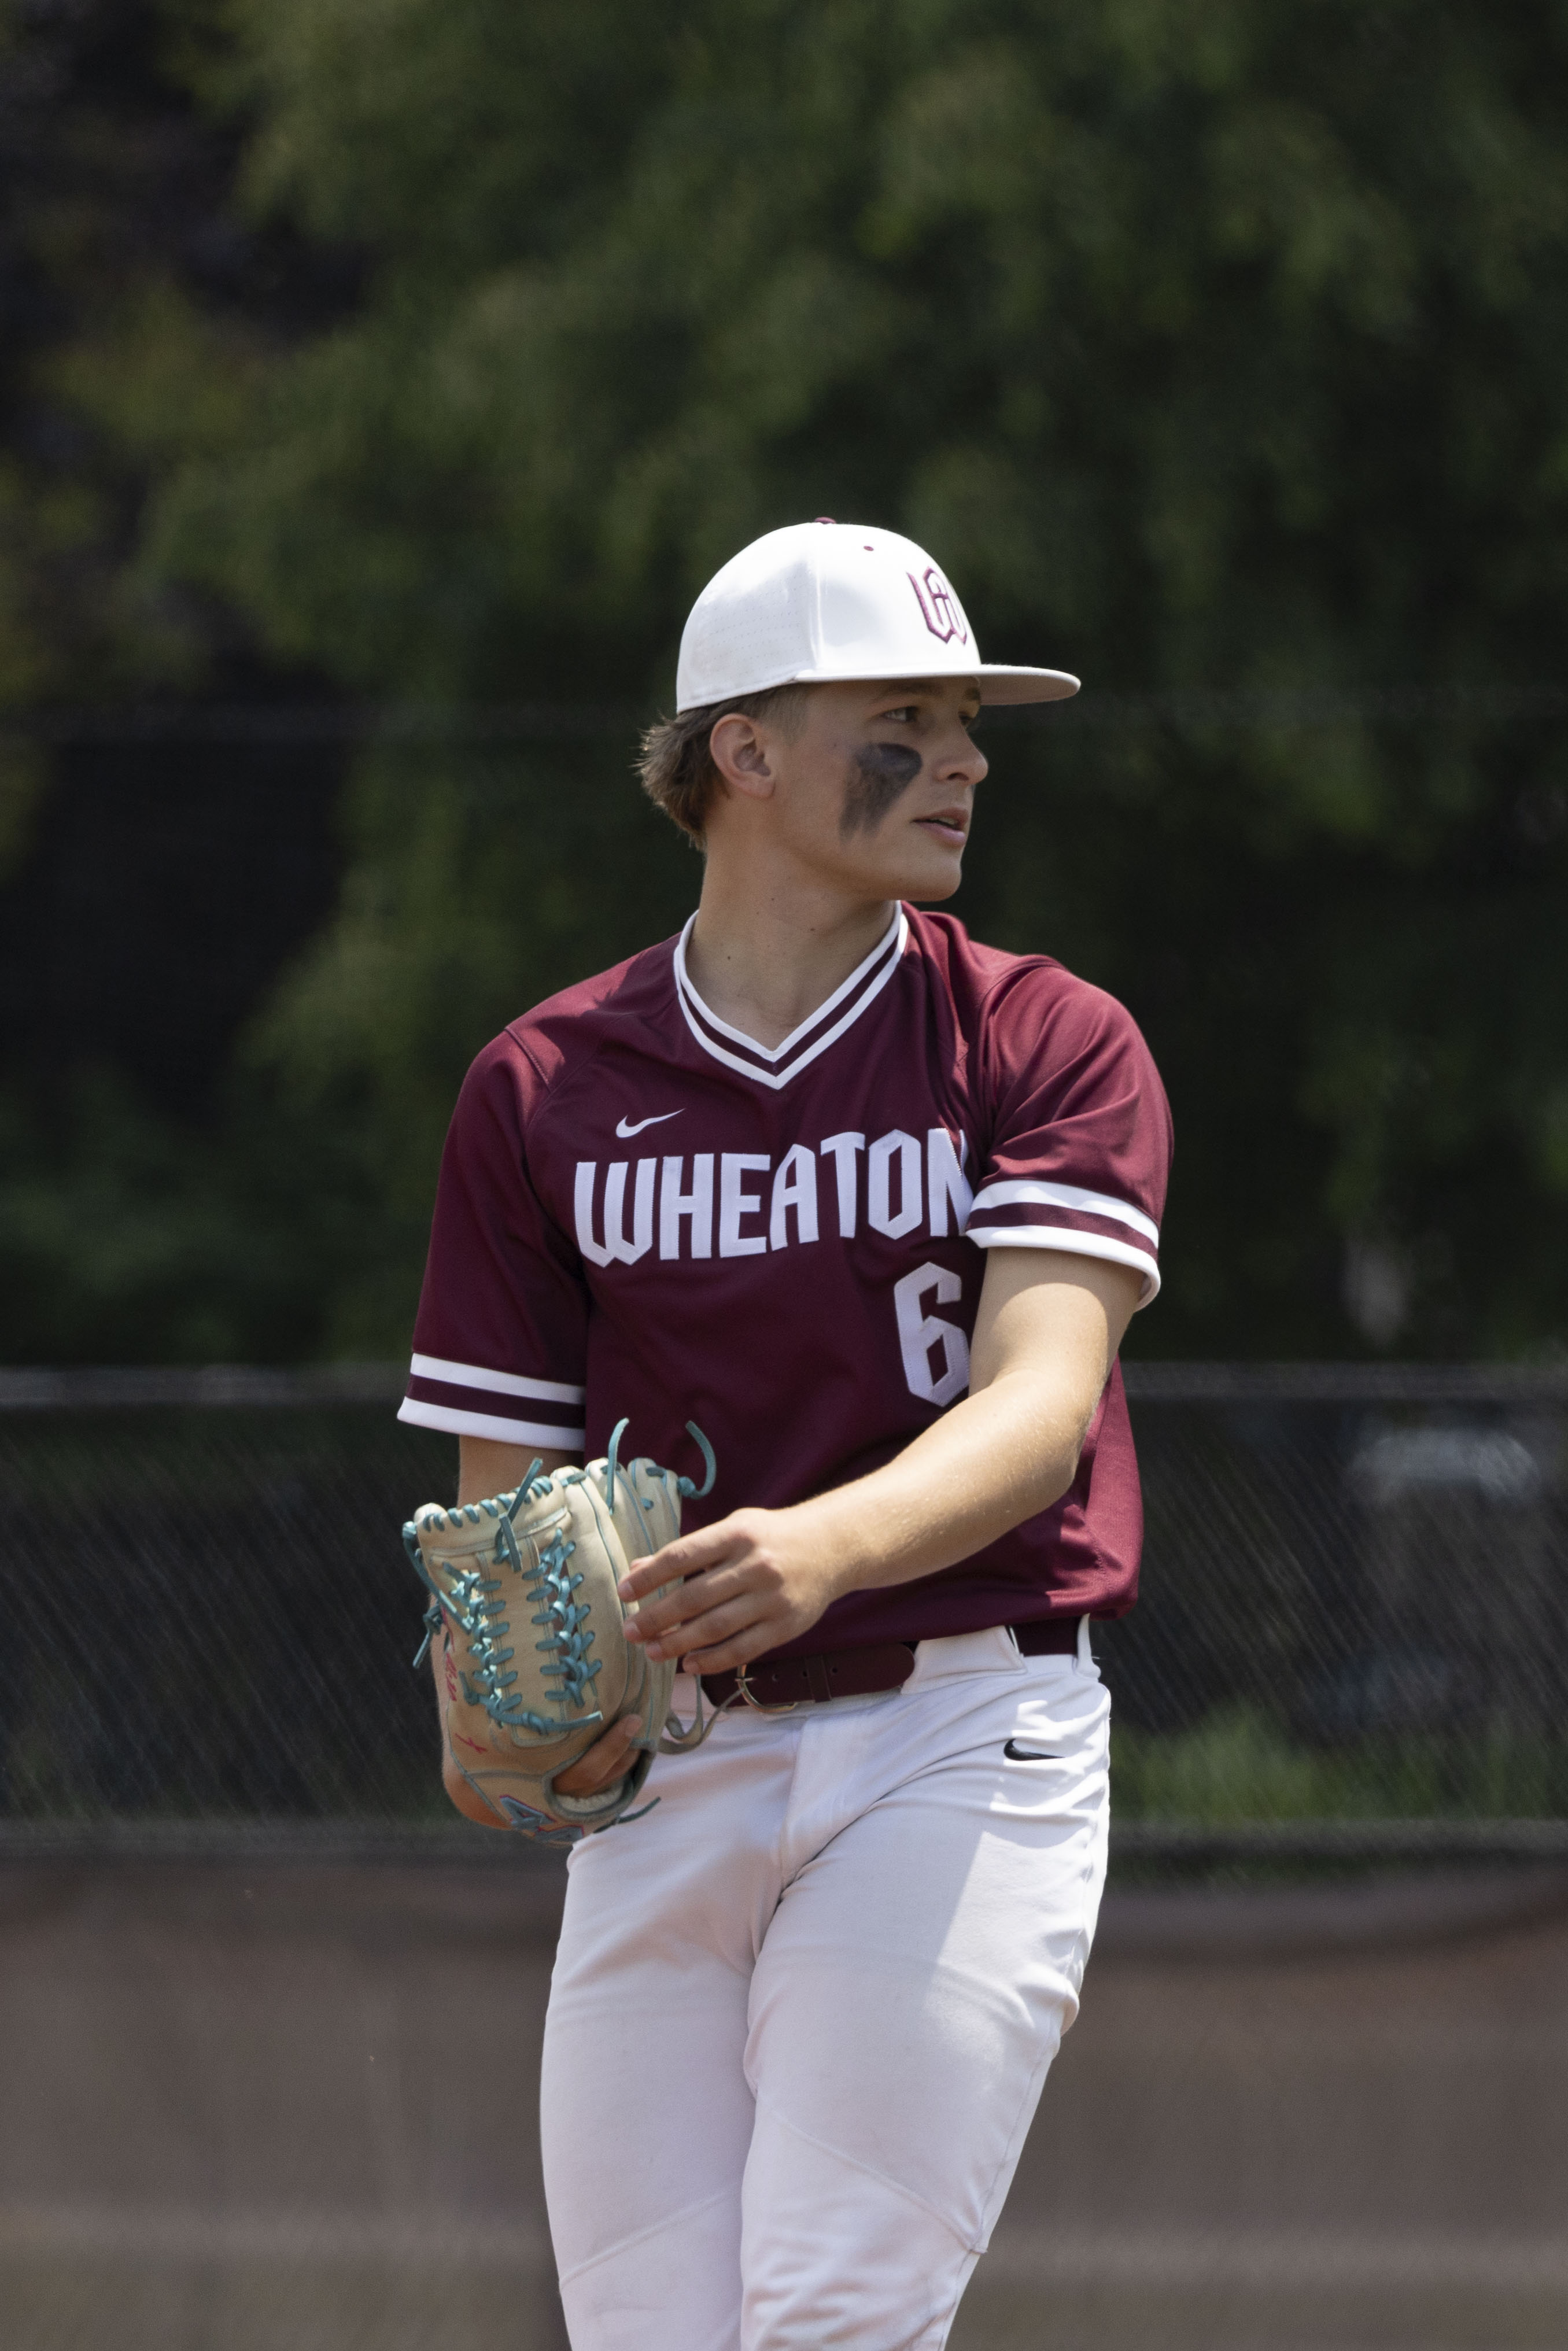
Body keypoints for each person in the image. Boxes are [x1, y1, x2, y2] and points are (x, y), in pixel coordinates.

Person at [398, 519, 1173, 2351]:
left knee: (830, 2320)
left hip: (957, 1729)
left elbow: (1040, 1407)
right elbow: (500, 1507)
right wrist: (497, 1685)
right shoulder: (546, 1086)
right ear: (741, 748)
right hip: (673, 1764)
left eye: (966, 721)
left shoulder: (1039, 1037)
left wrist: (821, 1547)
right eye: (905, 717)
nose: (965, 758)